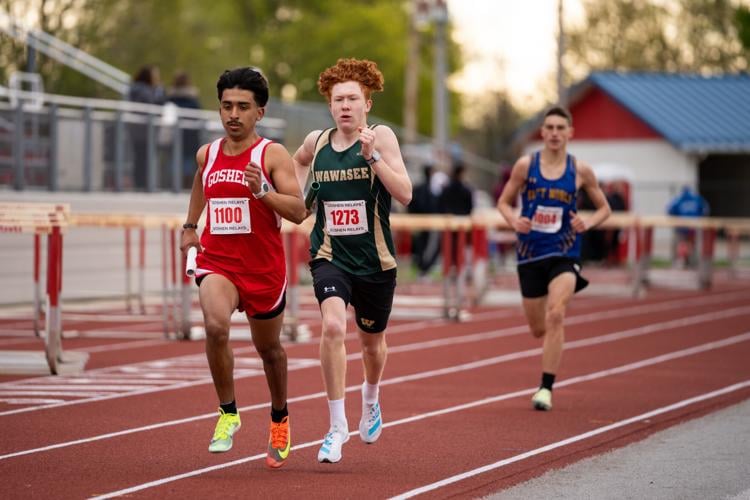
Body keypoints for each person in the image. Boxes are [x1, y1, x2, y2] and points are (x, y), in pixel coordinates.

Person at [180, 67, 306, 468]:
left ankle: (280, 418)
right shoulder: (209, 152)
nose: (233, 114)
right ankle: (228, 413)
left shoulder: (272, 155)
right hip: (218, 261)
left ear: (260, 112)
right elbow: (201, 181)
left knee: (269, 350)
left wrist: (263, 191)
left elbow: (300, 211)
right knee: (215, 326)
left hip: (263, 269)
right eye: (226, 106)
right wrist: (189, 226)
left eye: (242, 107)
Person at [292, 58, 412, 463]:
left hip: (375, 263)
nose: (344, 106)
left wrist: (373, 158)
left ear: (366, 105)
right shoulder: (317, 142)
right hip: (330, 256)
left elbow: (406, 194)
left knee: (372, 345)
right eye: (337, 99)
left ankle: (371, 397)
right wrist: (291, 201)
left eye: (352, 99)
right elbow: (295, 165)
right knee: (330, 326)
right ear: (329, 105)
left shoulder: (382, 137)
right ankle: (336, 424)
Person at [497, 105, 611, 412]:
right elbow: (504, 202)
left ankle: (545, 388)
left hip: (565, 252)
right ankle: (552, 340)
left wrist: (588, 221)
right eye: (550, 127)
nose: (555, 133)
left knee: (556, 313)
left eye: (561, 128)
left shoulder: (580, 171)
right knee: (538, 328)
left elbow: (604, 208)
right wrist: (514, 220)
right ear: (542, 132)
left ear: (570, 133)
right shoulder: (525, 166)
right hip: (530, 253)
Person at [127, 65, 165, 189]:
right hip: (144, 130)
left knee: (141, 158)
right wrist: (159, 91)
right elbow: (153, 104)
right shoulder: (144, 91)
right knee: (143, 159)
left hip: (139, 130)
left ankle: (142, 184)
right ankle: (143, 185)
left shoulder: (135, 89)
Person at [166, 71, 203, 190]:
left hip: (173, 136)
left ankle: (172, 184)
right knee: (187, 161)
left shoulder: (170, 99)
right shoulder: (192, 100)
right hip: (190, 136)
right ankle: (186, 185)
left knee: (173, 160)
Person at [408, 164, 441, 278]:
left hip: (420, 221)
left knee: (421, 245)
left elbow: (411, 203)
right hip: (427, 221)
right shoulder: (430, 189)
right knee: (427, 245)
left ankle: (423, 268)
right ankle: (424, 268)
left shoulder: (421, 187)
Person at [667, 185, 710, 267]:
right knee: (691, 244)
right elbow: (705, 209)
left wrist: (675, 218)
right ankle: (691, 261)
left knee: (681, 244)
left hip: (681, 226)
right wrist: (700, 218)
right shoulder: (697, 198)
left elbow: (669, 210)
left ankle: (679, 261)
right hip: (692, 227)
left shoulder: (678, 199)